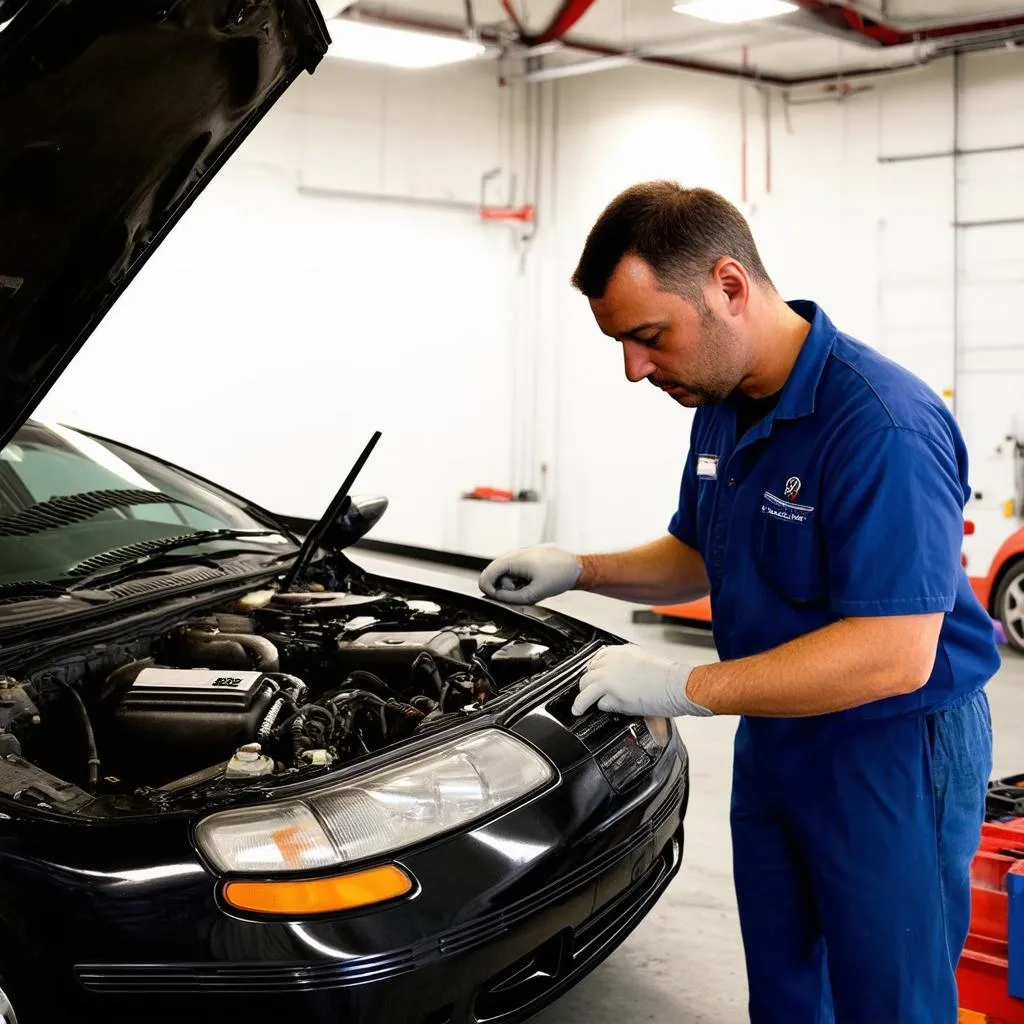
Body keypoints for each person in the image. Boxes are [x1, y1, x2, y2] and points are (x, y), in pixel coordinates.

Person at [478, 181, 1000, 1023]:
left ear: (728, 286)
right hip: (779, 735)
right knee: (788, 990)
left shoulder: (881, 425)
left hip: (890, 749)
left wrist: (684, 689)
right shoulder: (721, 405)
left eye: (649, 337)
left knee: (889, 1001)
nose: (635, 369)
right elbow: (701, 554)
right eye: (622, 344)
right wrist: (578, 567)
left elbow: (892, 653)